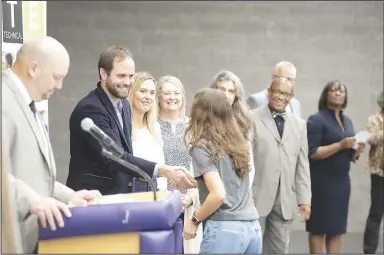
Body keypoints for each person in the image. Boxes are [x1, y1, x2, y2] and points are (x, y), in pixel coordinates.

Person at [1, 36, 101, 253]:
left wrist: (68, 196)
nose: (59, 86)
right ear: (34, 69)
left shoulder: (28, 102)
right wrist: (32, 201)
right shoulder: (4, 100)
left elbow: (29, 173)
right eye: (56, 77)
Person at [66, 46, 196, 195]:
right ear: (103, 73)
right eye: (121, 76)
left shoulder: (124, 106)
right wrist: (163, 171)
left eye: (130, 76)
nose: (127, 82)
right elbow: (115, 157)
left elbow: (128, 154)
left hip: (120, 198)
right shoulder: (90, 108)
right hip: (94, 200)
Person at [183, 88, 262, 254]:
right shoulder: (239, 143)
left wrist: (194, 220)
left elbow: (218, 194)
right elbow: (231, 182)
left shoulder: (201, 147)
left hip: (224, 229)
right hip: (253, 228)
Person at [250, 77, 311, 254]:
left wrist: (304, 200)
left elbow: (302, 166)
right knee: (252, 247)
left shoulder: (300, 125)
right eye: (276, 91)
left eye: (285, 93)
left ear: (291, 97)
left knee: (280, 250)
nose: (280, 96)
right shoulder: (251, 118)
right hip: (256, 197)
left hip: (284, 199)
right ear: (269, 92)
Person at [306, 80, 365, 254]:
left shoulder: (348, 121)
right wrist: (340, 145)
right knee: (318, 228)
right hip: (321, 183)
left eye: (342, 91)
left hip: (342, 183)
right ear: (326, 94)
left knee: (337, 230)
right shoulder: (316, 120)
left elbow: (349, 154)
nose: (339, 93)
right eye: (334, 90)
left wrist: (356, 150)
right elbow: (312, 152)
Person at [157, 75, 202, 253]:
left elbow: (202, 166)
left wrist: (191, 197)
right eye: (167, 93)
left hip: (189, 203)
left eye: (176, 93)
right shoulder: (150, 126)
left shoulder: (194, 126)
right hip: (161, 202)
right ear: (158, 97)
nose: (172, 97)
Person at [209, 70, 255, 188]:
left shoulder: (243, 122)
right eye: (222, 90)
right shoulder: (204, 119)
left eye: (231, 91)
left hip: (238, 192)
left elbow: (249, 164)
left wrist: (243, 194)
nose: (226, 95)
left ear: (236, 96)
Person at [128, 71, 165, 192]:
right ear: (132, 93)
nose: (148, 97)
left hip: (154, 194)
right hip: (129, 194)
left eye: (152, 93)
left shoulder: (156, 128)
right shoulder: (123, 127)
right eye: (143, 91)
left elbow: (161, 167)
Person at [363, 91, 384, 254]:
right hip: (379, 173)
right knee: (376, 212)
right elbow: (373, 139)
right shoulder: (374, 119)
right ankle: (369, 250)